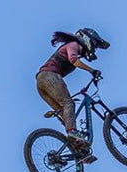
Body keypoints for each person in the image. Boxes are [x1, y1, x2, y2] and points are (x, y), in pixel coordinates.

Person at [36, 28, 110, 158]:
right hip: (48, 76)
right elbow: (73, 60)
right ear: (88, 40)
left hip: (41, 83)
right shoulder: (73, 45)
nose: (94, 49)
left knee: (65, 114)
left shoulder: (72, 47)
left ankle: (79, 150)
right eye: (95, 45)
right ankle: (72, 133)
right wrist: (92, 71)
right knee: (68, 104)